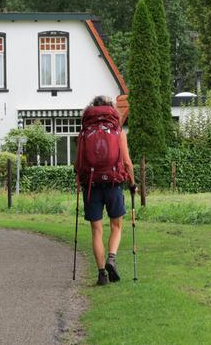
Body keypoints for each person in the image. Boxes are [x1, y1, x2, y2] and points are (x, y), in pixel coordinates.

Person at [75, 96, 136, 286]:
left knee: (96, 231)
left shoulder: (84, 132)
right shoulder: (117, 132)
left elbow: (78, 164)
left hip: (92, 186)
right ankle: (111, 258)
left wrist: (79, 182)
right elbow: (126, 162)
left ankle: (101, 275)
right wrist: (133, 183)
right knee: (116, 226)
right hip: (113, 184)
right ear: (111, 110)